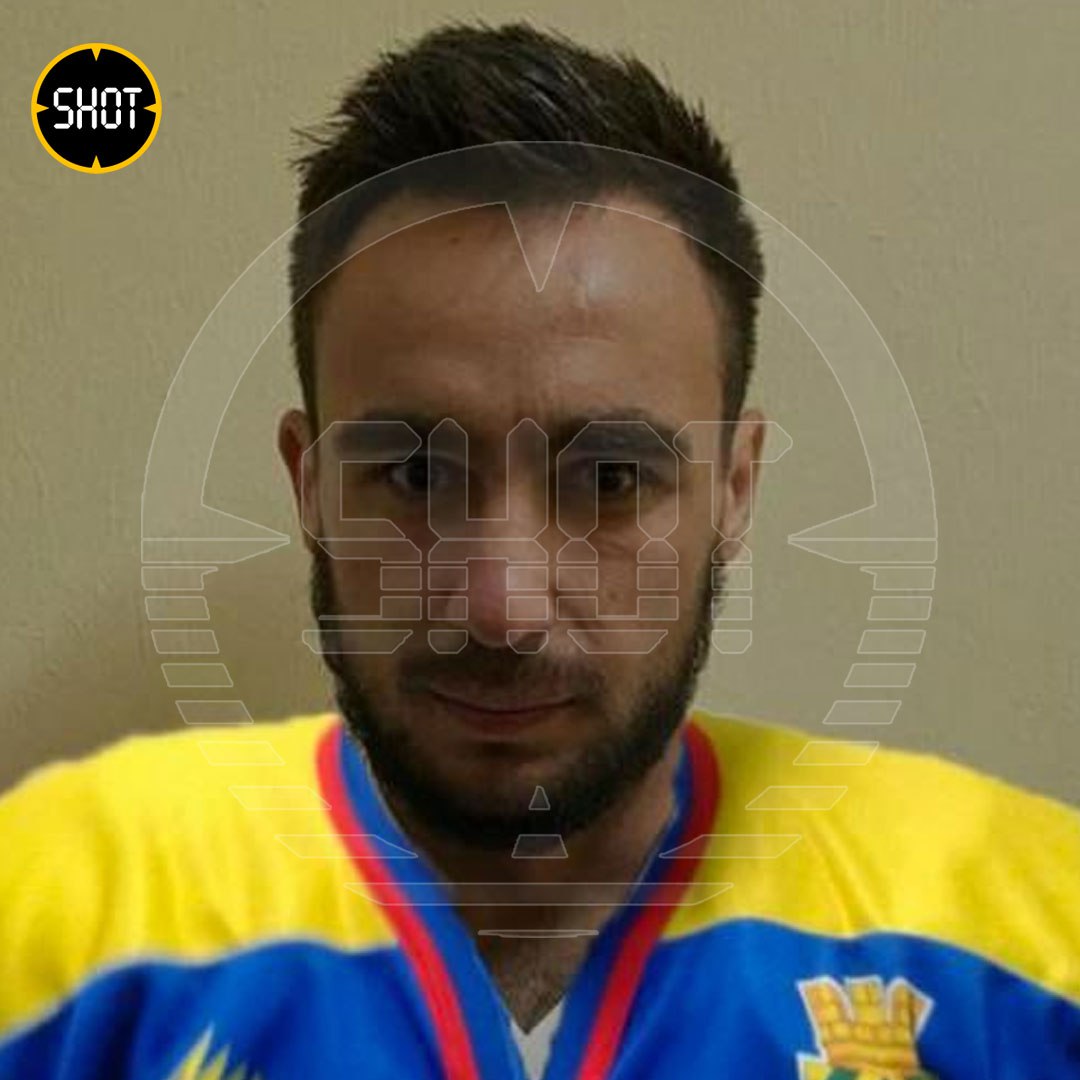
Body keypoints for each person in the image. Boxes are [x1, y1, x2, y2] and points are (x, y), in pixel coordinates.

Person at [2, 20, 1078, 1080]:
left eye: (609, 481)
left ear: (735, 490)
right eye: (414, 475)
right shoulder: (53, 922)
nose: (501, 606)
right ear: (310, 485)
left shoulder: (1026, 942)